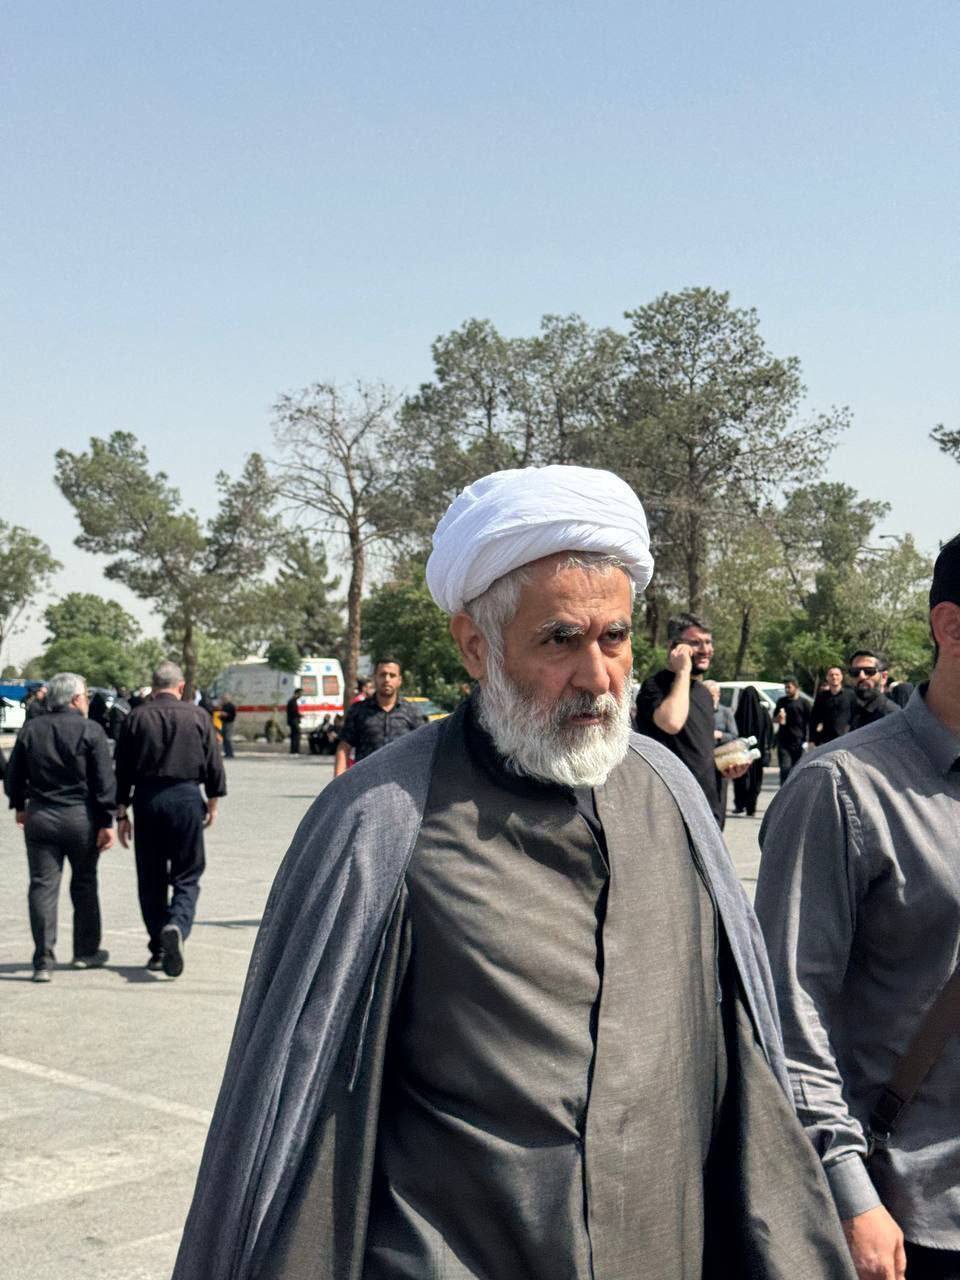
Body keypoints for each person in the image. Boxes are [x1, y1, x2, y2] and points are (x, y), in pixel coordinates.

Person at [172, 465, 853, 1280]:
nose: (598, 677)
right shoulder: (383, 821)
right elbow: (296, 1119)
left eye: (614, 638)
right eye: (560, 640)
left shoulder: (669, 797)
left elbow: (742, 1070)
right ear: (475, 645)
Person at [756, 532, 960, 1280]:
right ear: (951, 627)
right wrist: (846, 1191)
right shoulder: (841, 787)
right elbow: (788, 1005)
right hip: (910, 1220)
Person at [114, 661, 226, 977]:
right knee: (187, 873)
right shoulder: (198, 716)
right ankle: (177, 923)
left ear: (153, 687)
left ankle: (158, 947)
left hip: (147, 800)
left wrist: (121, 812)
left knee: (151, 877)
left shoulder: (136, 717)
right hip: (186, 797)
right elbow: (214, 765)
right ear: (181, 686)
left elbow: (121, 769)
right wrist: (213, 803)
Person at [3, 672, 115, 981]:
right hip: (81, 818)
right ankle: (85, 952)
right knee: (84, 883)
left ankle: (43, 959)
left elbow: (13, 776)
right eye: (86, 696)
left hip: (41, 816)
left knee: (42, 886)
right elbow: (104, 781)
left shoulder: (31, 729)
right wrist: (107, 820)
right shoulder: (91, 731)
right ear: (76, 699)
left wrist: (20, 806)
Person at [635, 613, 747, 824]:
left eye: (708, 642)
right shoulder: (654, 686)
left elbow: (698, 750)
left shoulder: (704, 693)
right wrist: (683, 671)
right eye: (695, 643)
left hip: (708, 808)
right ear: (673, 647)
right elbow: (671, 722)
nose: (706, 649)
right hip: (672, 810)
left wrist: (725, 768)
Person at [333, 659, 425, 776]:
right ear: (375, 678)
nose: (387, 679)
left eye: (392, 675)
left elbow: (424, 747)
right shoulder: (359, 710)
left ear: (399, 680)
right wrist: (338, 781)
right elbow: (344, 747)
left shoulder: (411, 712)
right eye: (382, 675)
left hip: (401, 781)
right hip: (365, 781)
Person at [731, 685, 773, 817]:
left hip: (741, 752)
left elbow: (733, 732)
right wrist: (768, 746)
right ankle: (751, 807)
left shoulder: (739, 712)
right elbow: (769, 731)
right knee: (755, 780)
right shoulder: (763, 711)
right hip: (757, 753)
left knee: (740, 778)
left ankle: (739, 805)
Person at [704, 679, 739, 828]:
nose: (710, 698)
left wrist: (720, 735)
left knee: (719, 796)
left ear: (718, 695)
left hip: (721, 761)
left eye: (712, 695)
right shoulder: (698, 712)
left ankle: (719, 828)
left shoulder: (725, 712)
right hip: (701, 761)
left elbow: (734, 735)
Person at [848, 650, 900, 729]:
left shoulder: (893, 717)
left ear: (884, 677)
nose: (861, 676)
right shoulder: (855, 710)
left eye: (869, 671)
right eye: (855, 672)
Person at [773, 675, 810, 784]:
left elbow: (810, 722)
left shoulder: (804, 703)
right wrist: (778, 718)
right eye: (785, 687)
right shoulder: (781, 701)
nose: (787, 690)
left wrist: (809, 740)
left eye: (789, 687)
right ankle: (784, 792)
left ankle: (796, 793)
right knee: (785, 769)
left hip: (799, 741)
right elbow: (774, 719)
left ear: (796, 687)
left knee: (797, 770)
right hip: (783, 741)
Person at [809, 665, 858, 745]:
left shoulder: (850, 695)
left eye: (837, 674)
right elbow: (814, 719)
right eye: (831, 675)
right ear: (827, 678)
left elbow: (855, 716)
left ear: (841, 677)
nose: (834, 677)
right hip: (825, 740)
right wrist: (812, 740)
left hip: (846, 739)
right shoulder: (821, 697)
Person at [285, 688, 302, 755]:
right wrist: (299, 715)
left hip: (293, 720)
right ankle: (295, 750)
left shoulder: (292, 701)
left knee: (294, 735)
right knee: (296, 735)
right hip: (294, 721)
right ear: (297, 693)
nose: (301, 695)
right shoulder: (292, 701)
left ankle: (293, 750)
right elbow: (294, 712)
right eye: (300, 694)